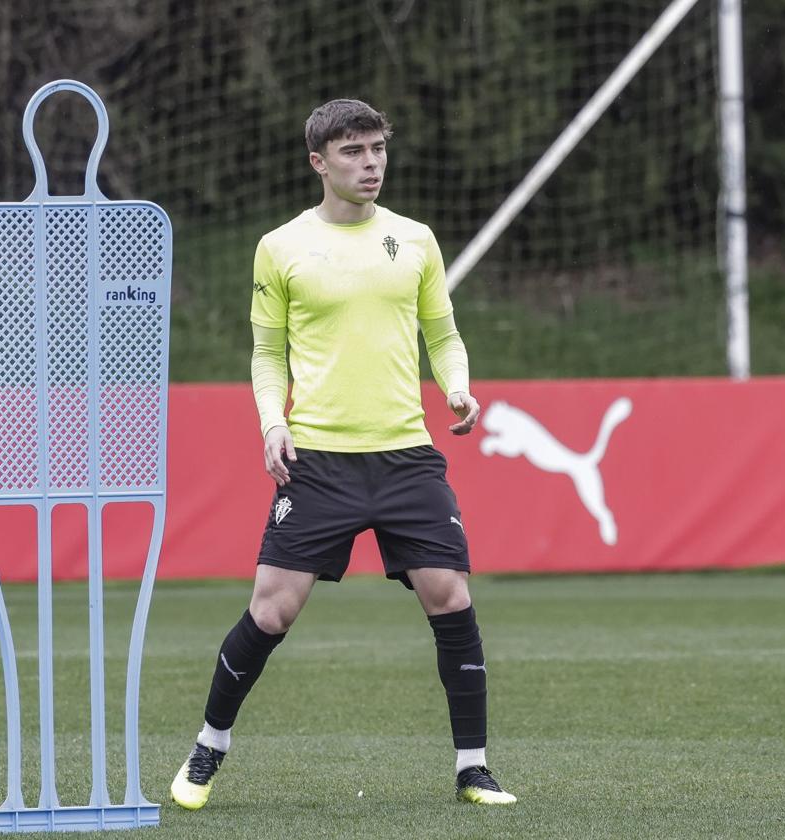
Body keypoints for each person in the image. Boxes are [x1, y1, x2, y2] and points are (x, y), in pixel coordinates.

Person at [170, 98, 516, 809]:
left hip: (405, 456)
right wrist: (274, 422)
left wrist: (457, 388)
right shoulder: (282, 246)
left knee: (451, 597)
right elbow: (267, 354)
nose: (371, 163)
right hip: (320, 459)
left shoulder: (415, 239)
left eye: (378, 149)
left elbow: (442, 334)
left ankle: (473, 768)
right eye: (354, 152)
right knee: (272, 611)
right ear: (319, 163)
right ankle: (209, 746)